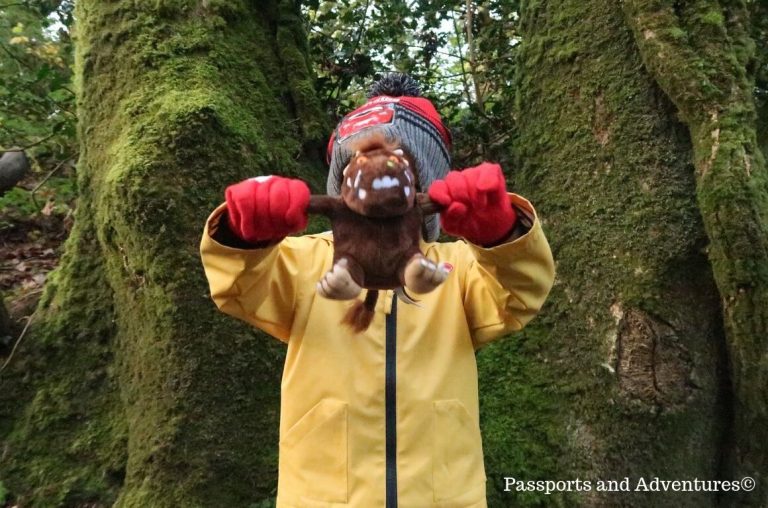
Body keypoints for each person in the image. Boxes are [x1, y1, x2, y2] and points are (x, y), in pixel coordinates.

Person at [200, 74, 555, 508]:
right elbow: (239, 286)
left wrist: (500, 235)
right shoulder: (304, 263)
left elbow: (519, 295)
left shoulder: (458, 268)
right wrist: (245, 236)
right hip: (321, 495)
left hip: (443, 495)